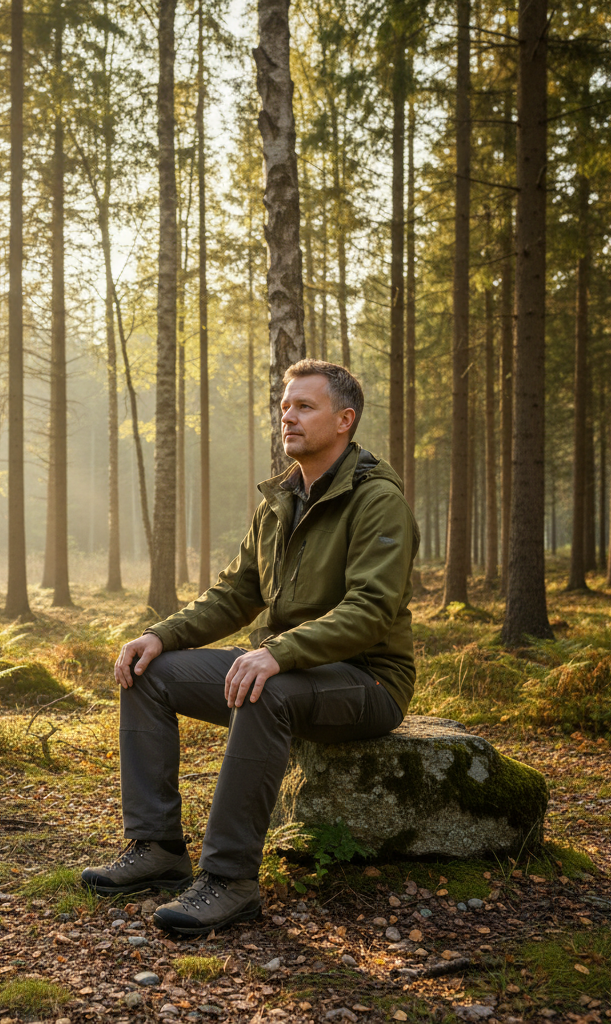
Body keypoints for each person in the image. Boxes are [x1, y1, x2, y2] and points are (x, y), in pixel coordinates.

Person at [81, 359, 419, 936]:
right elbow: (235, 594)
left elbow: (370, 611)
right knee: (148, 673)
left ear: (345, 420)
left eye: (304, 406)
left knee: (266, 691)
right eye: (285, 406)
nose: (288, 417)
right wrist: (159, 635)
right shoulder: (280, 501)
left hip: (368, 680)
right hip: (290, 668)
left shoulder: (377, 499)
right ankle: (157, 848)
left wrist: (279, 653)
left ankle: (229, 879)